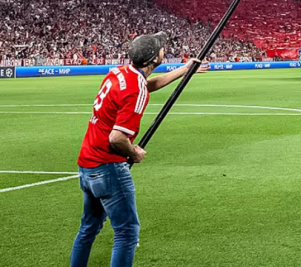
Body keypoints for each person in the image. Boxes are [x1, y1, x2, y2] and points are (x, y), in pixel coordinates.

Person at [71, 32, 208, 267]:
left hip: (87, 164)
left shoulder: (120, 72)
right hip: (108, 168)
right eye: (162, 48)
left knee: (88, 229)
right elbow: (117, 137)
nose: (165, 49)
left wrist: (184, 70)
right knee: (126, 233)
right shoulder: (135, 88)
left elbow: (146, 84)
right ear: (154, 58)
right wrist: (133, 153)